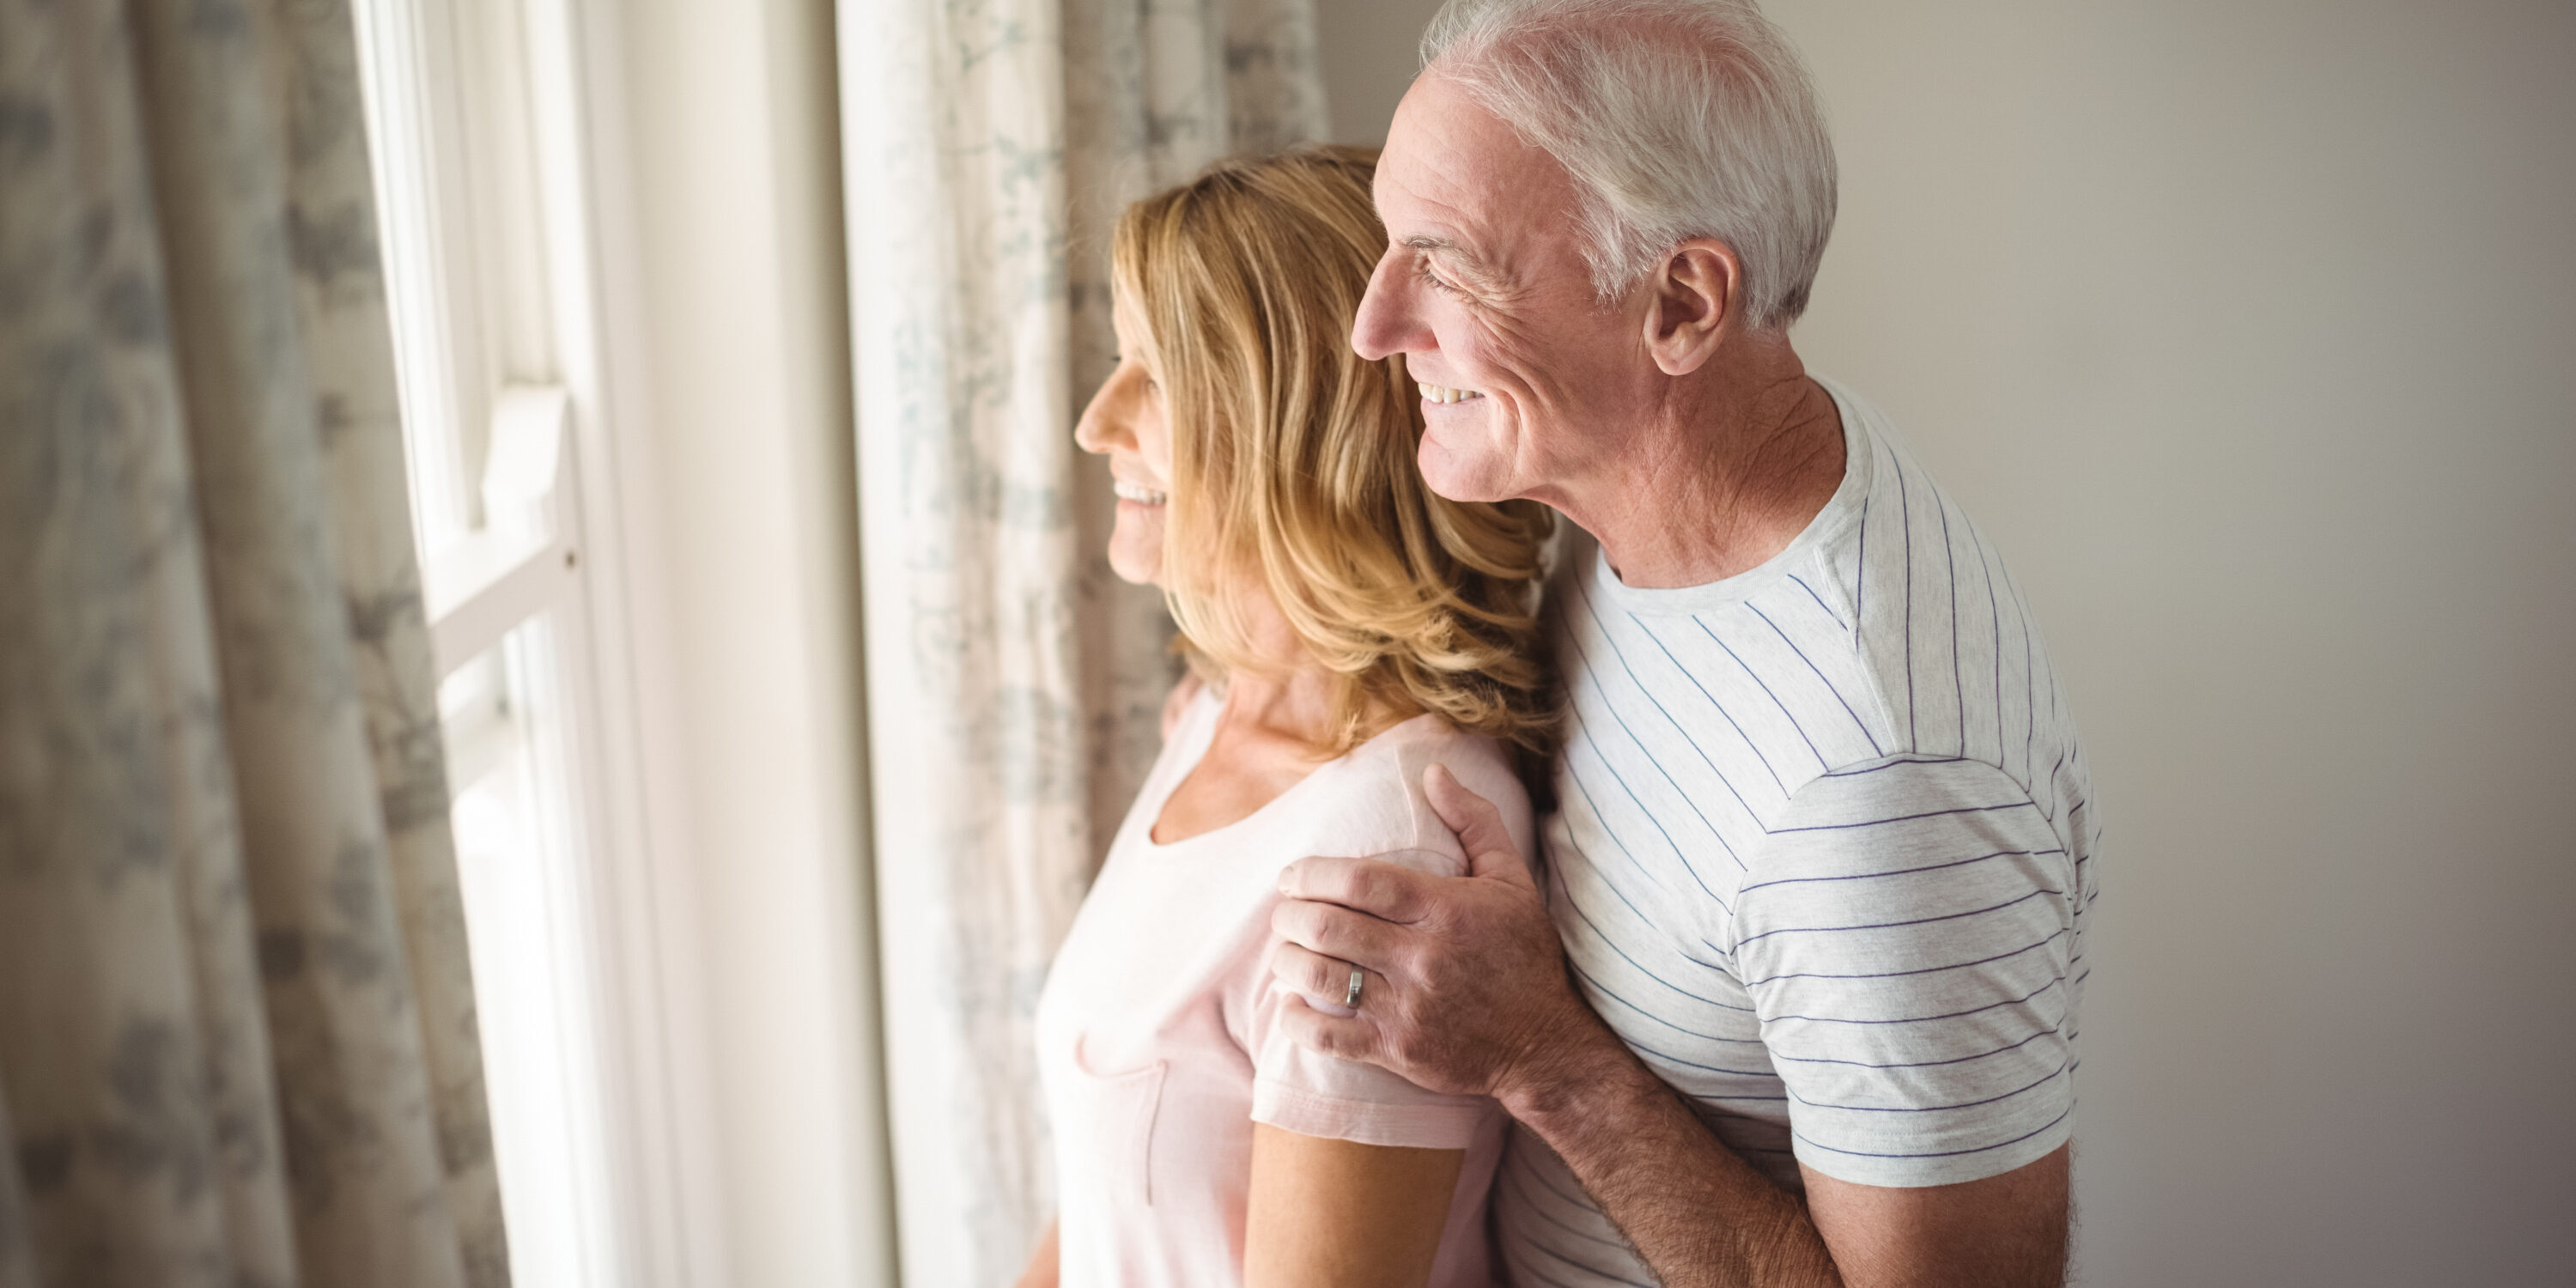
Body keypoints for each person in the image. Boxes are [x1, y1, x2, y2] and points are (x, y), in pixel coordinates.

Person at [1264, 3, 2100, 1285]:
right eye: (1390, 247)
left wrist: (1544, 1059)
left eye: (1448, 263)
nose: (1376, 326)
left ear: (1684, 302)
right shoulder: (1647, 486)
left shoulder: (1885, 784)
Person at [1018, 146, 1560, 1288]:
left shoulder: (1381, 862)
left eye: (1154, 376)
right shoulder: (1215, 710)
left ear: (1302, 420)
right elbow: (1103, 1214)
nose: (1096, 422)